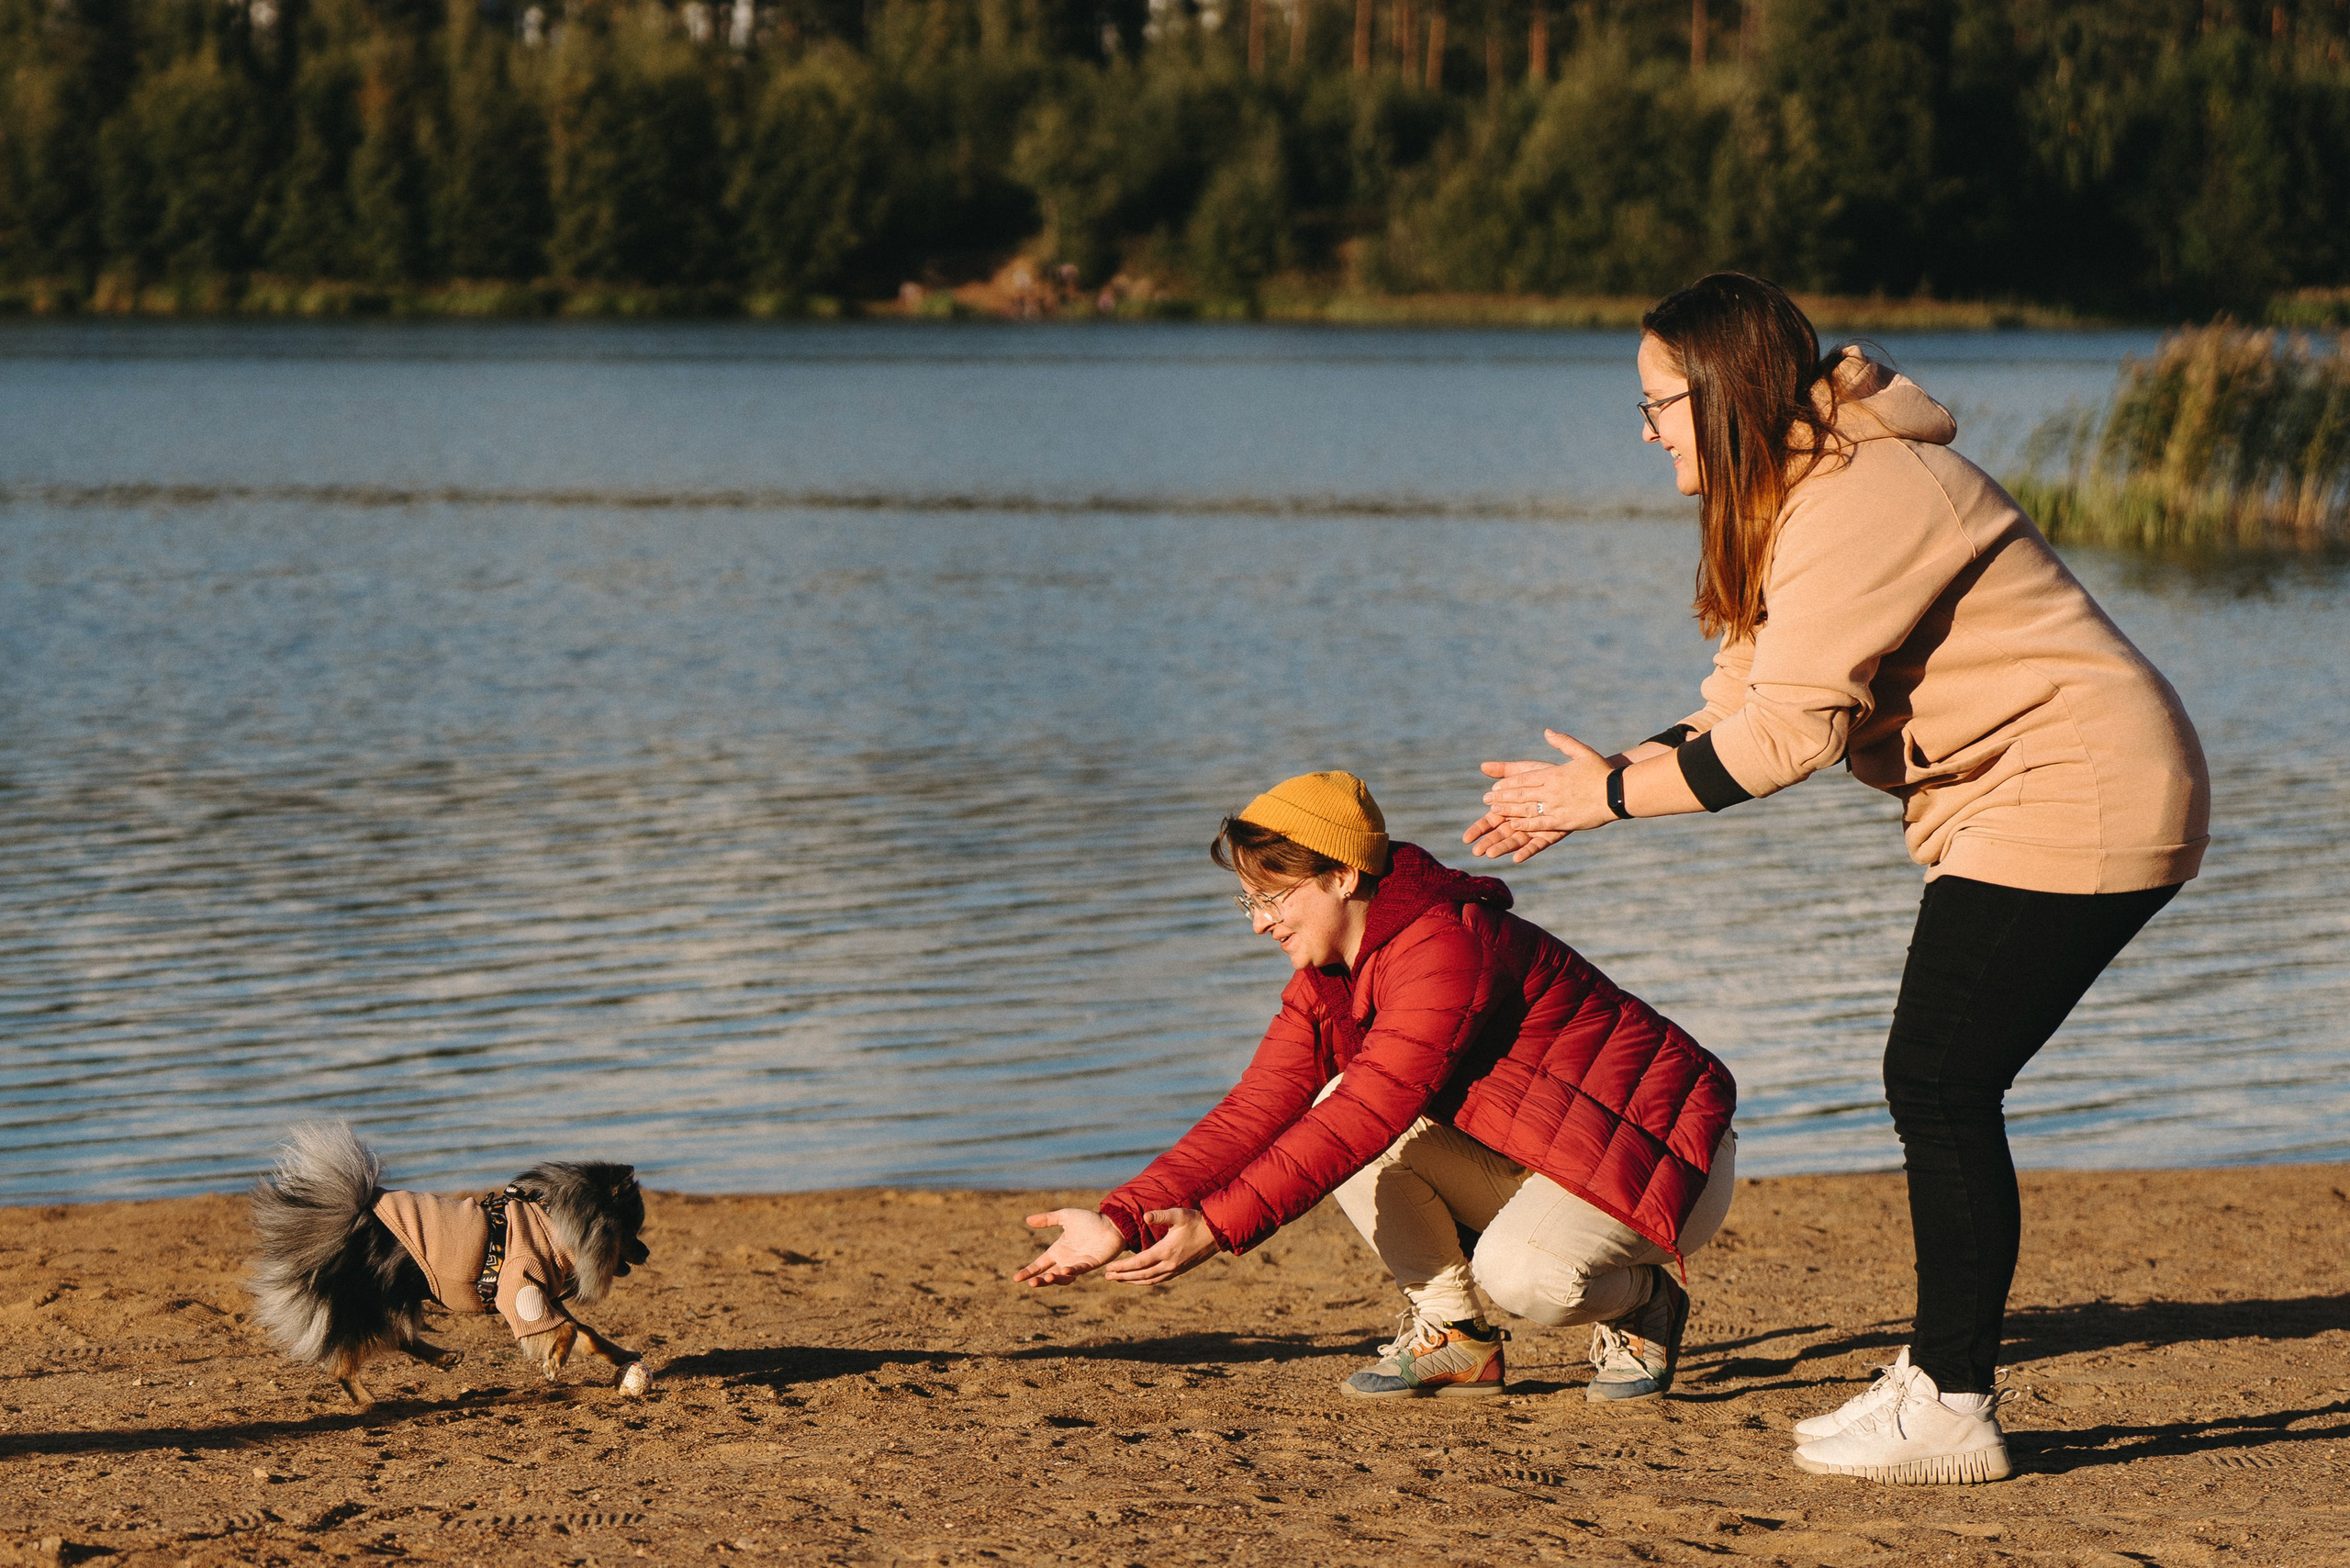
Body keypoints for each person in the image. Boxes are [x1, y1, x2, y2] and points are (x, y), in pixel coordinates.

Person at [1462, 273, 2210, 1485]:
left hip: (2084, 786)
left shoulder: (1862, 493)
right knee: (1943, 1077)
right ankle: (1936, 1377)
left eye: (1656, 403)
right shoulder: (1793, 493)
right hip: (2022, 795)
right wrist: (1624, 769)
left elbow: (1782, 745)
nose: (1644, 430)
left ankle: (1955, 1404)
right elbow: (1742, 704)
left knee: (1941, 1078)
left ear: (1722, 392)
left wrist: (1597, 802)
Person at [1018, 770, 1738, 1405]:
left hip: (1663, 1164)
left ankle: (1646, 1303)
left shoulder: (1446, 948)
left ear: (1341, 876)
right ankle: (1455, 1341)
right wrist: (1123, 1219)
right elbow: (1257, 1108)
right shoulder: (1329, 979)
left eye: (1273, 896)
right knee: (1330, 1104)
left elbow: (1372, 1112)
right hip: (1544, 1155)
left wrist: (1216, 1228)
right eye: (1249, 902)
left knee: (1525, 1277)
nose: (1261, 923)